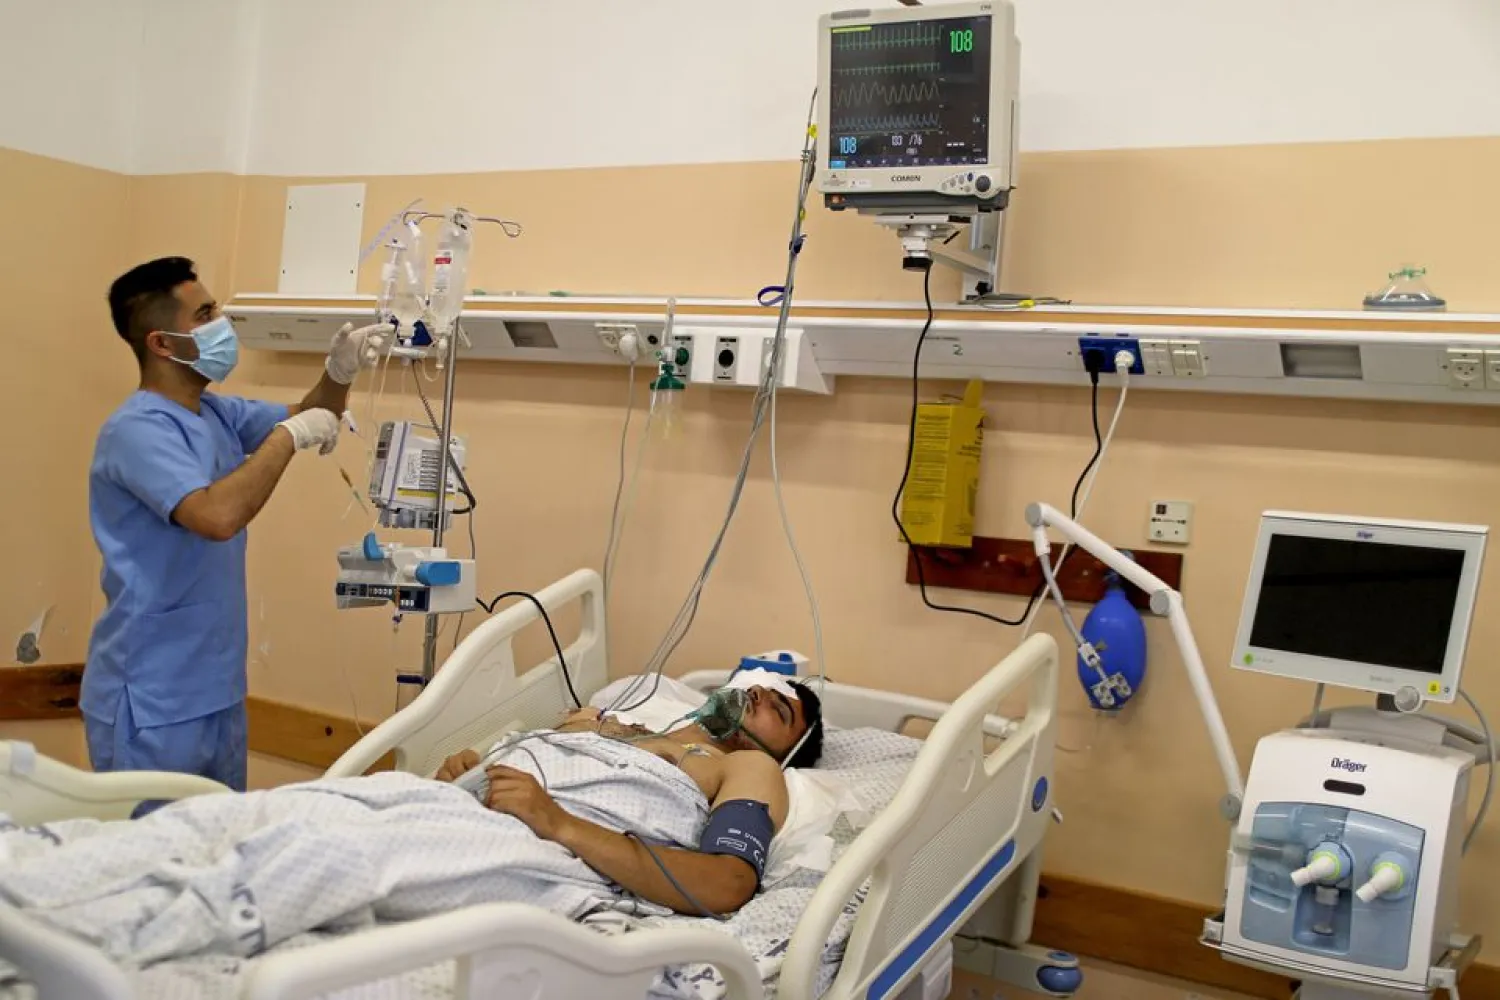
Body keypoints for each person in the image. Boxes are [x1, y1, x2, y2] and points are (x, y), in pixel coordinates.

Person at [83, 256, 390, 791]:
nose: (222, 324)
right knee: (158, 862)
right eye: (205, 314)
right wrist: (290, 437)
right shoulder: (136, 431)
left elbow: (310, 410)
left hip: (215, 688)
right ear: (162, 342)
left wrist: (338, 374)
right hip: (152, 698)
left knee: (223, 856)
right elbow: (217, 516)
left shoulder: (215, 414)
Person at [434, 680, 824, 915]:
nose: (757, 694)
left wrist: (558, 822)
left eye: (780, 711)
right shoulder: (599, 721)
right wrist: (466, 773)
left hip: (527, 852)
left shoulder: (746, 766)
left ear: (786, 752)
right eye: (761, 690)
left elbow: (728, 881)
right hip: (452, 809)